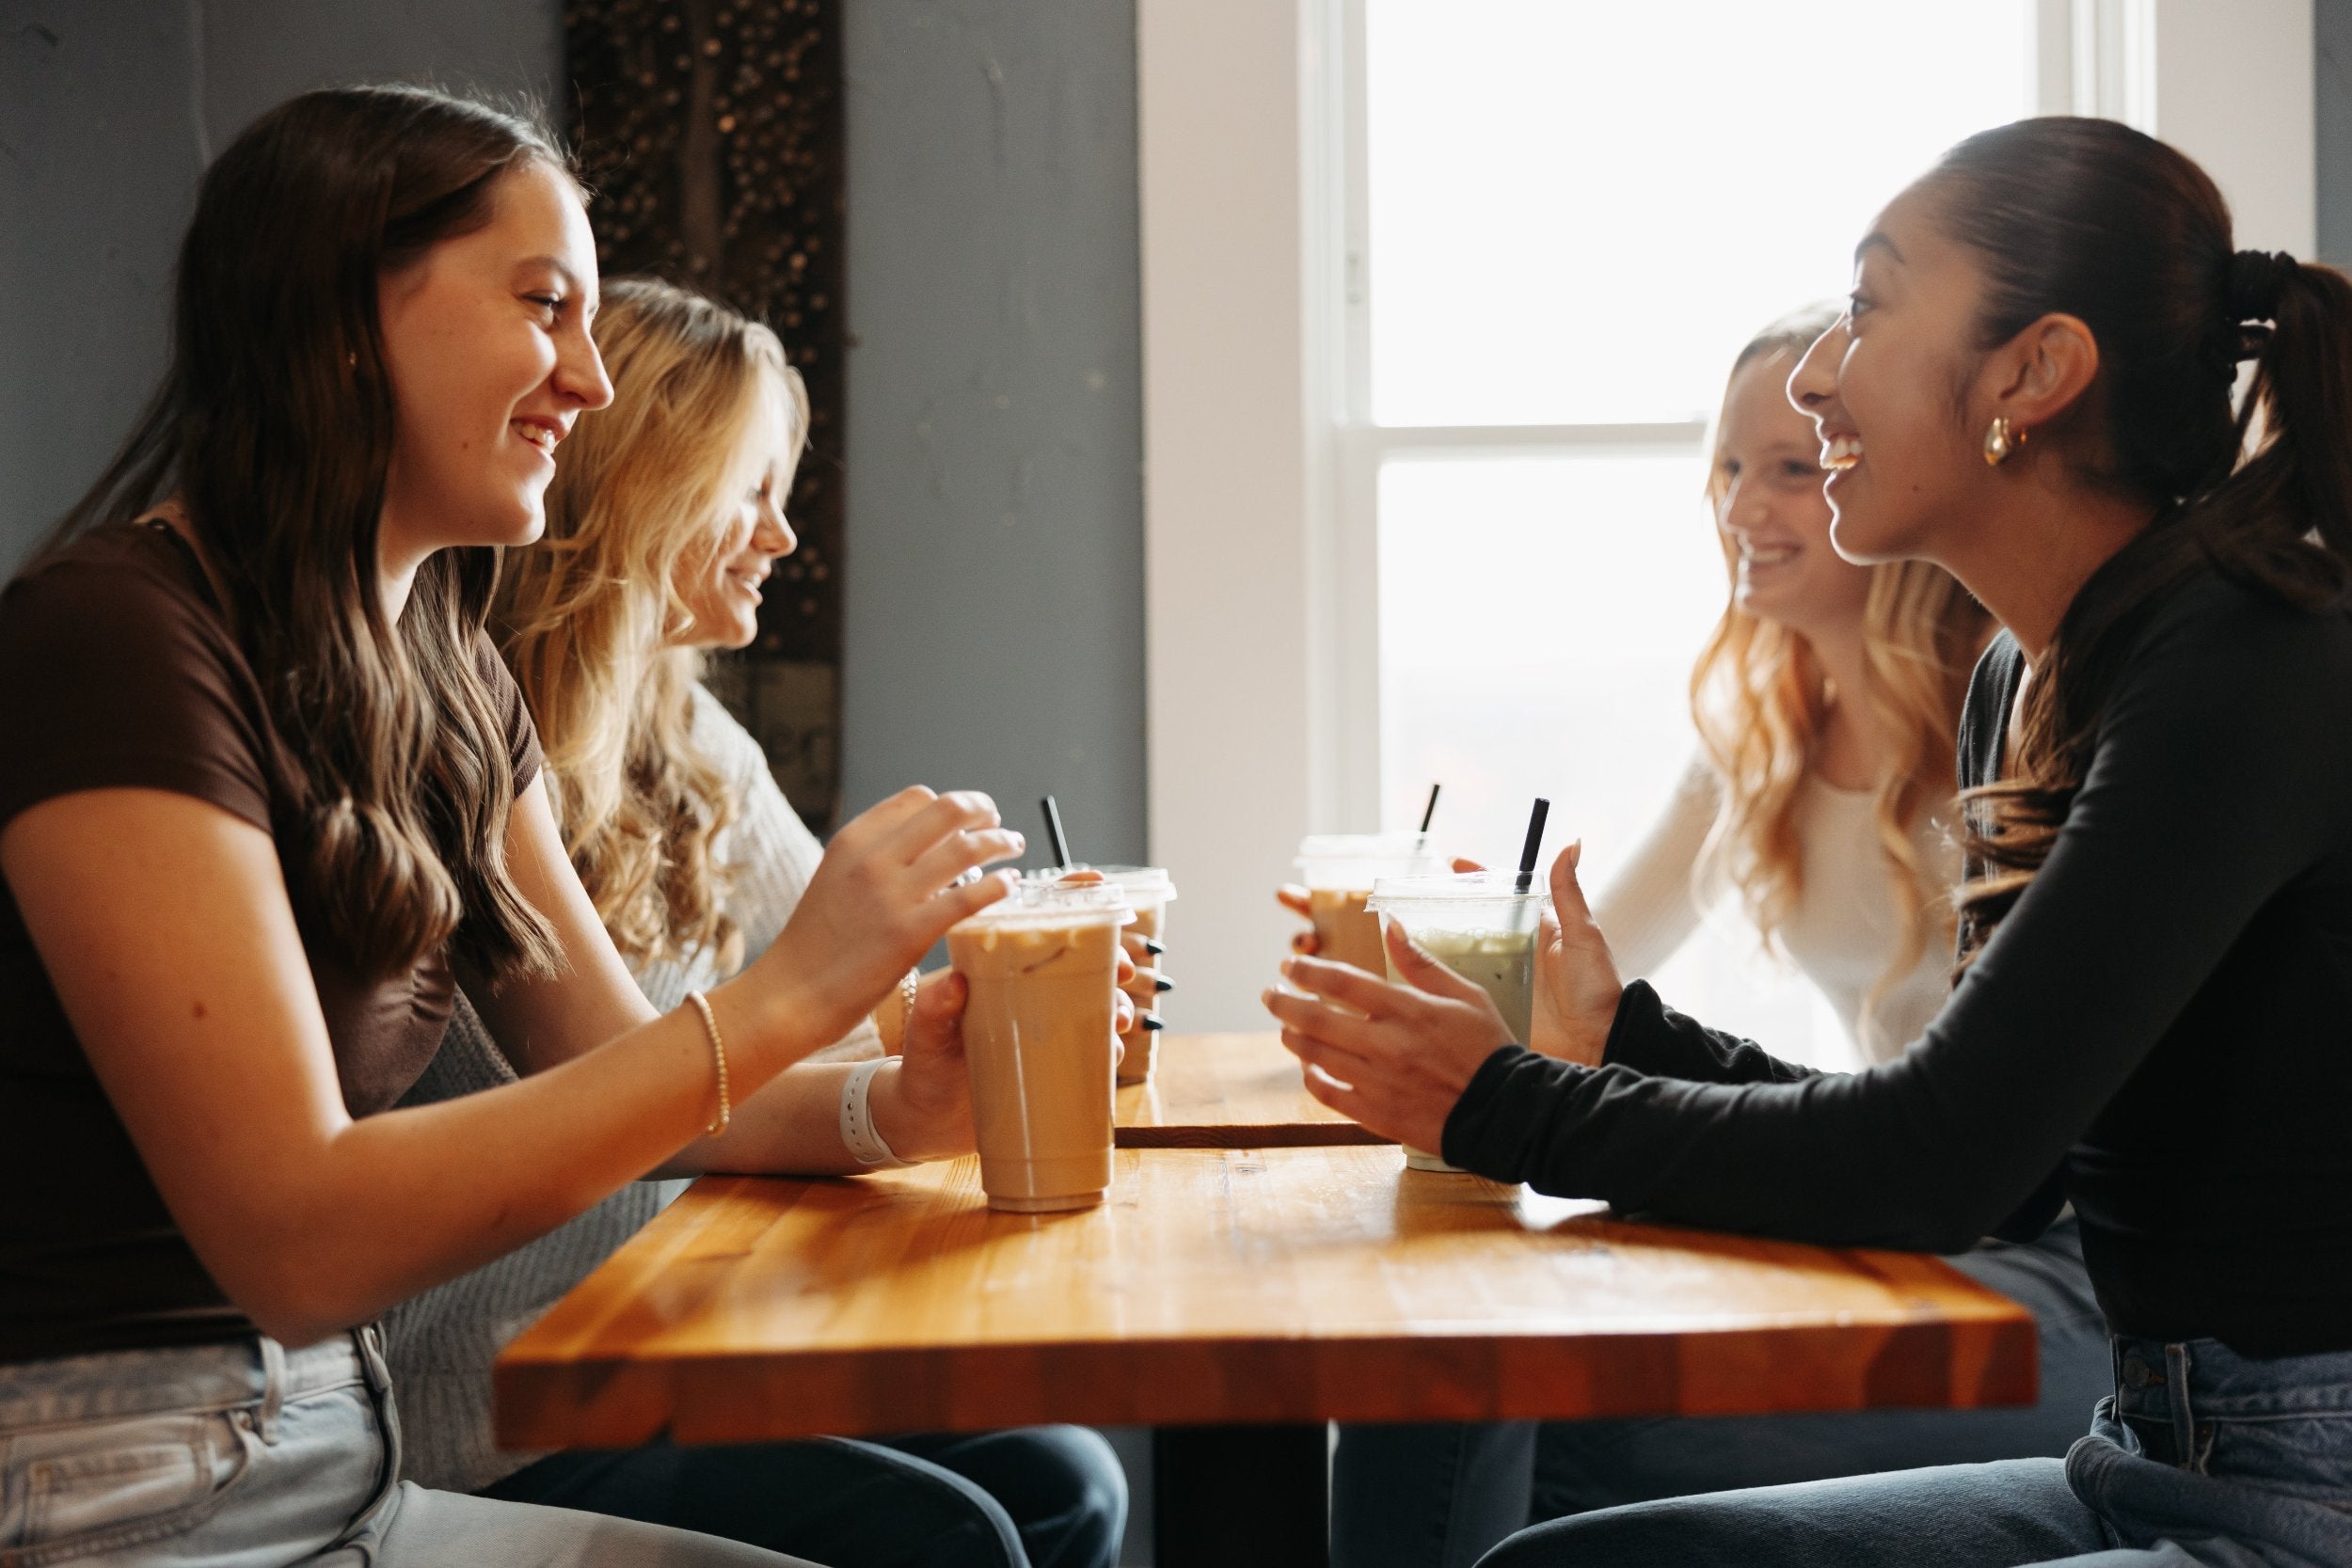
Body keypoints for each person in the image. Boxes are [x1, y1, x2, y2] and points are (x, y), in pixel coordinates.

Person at [1268, 115, 2352, 1567]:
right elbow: (2000, 1157)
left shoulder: (2249, 660)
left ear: (2031, 374)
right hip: (2149, 1453)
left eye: (1869, 303)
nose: (1821, 374)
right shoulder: (2026, 678)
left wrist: (1505, 1102)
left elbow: (1939, 1165)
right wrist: (1618, 1037)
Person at [0, 86, 1026, 1568]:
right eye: (545, 307)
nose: (589, 384)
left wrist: (893, 1110)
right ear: (341, 318)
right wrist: (797, 986)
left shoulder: (437, 655)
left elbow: (625, 1070)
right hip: (119, 1488)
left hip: (339, 1464)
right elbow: (297, 1242)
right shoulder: (112, 639)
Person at [1322, 307, 2106, 1568]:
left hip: (2046, 1271)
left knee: (1550, 1424)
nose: (1745, 505)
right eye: (1729, 469)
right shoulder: (1765, 733)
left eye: (1793, 466)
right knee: (1450, 1360)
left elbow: (1985, 1151)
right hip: (1880, 1210)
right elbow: (1586, 974)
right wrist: (1419, 954)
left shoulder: (2017, 724)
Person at [383, 276, 1127, 1568]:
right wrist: (880, 1046)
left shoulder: (686, 735)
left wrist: (993, 1011)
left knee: (1065, 1479)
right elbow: (668, 1061)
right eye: (751, 488)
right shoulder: (469, 749)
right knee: (959, 1536)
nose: (782, 537)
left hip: (666, 1345)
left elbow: (840, 1002)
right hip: (491, 1399)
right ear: (637, 486)